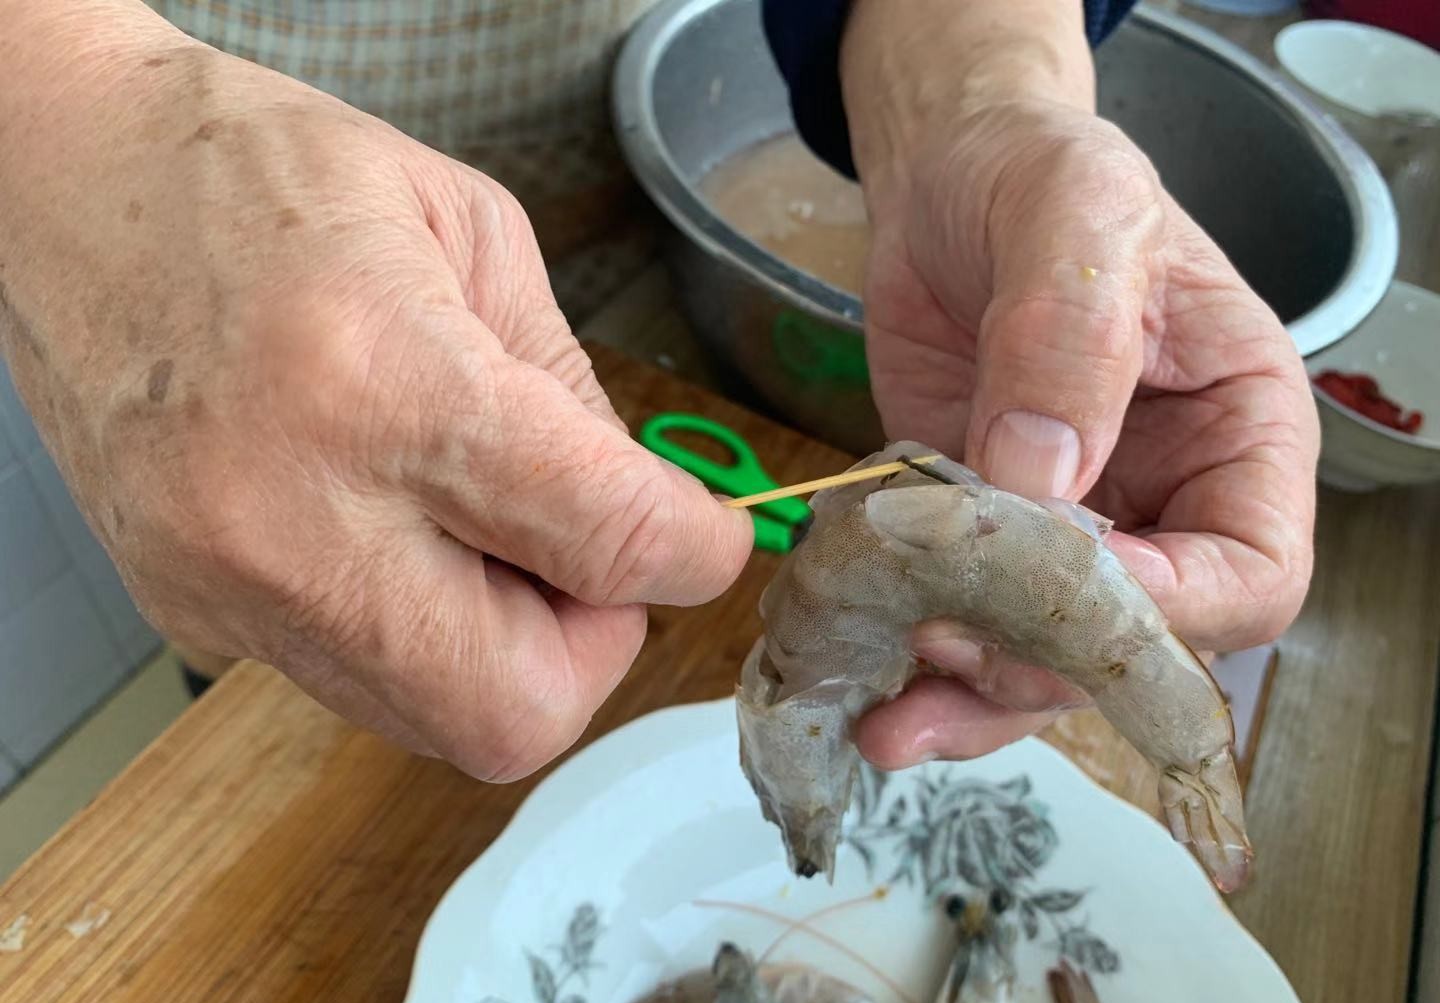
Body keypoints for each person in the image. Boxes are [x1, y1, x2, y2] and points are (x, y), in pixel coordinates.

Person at [0, 0, 1317, 782]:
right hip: (186, 315)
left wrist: (985, 101)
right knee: (264, 726)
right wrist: (68, 119)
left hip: (620, 237)